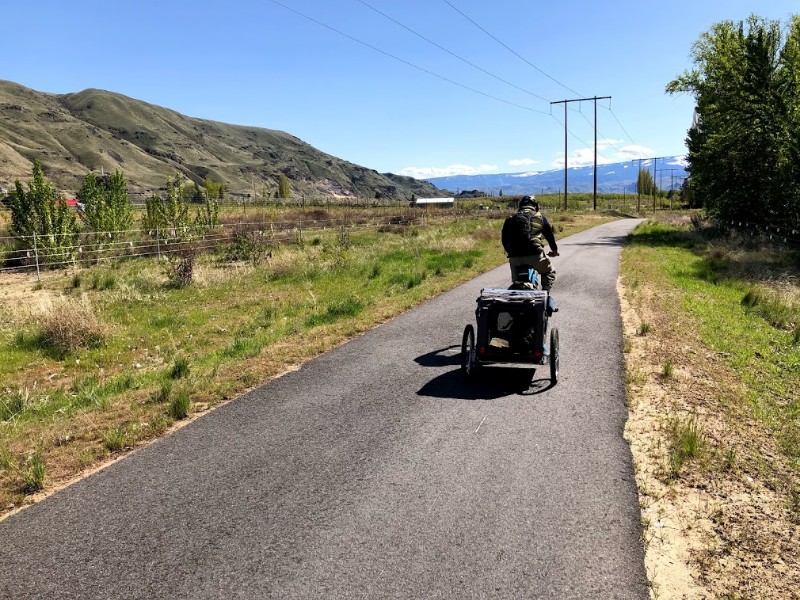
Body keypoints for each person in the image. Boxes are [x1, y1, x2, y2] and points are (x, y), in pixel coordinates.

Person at [501, 195, 559, 290]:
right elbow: (549, 236)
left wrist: (510, 252)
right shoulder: (540, 217)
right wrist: (554, 250)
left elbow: (504, 239)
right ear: (535, 206)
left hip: (515, 258)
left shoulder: (511, 218)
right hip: (535, 256)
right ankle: (545, 293)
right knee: (549, 271)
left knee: (516, 283)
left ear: (520, 206)